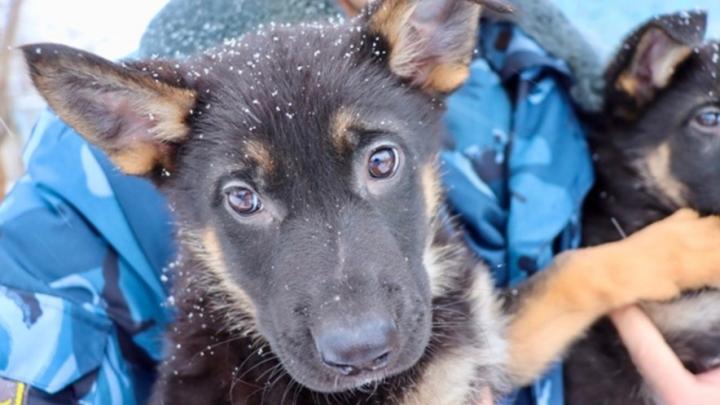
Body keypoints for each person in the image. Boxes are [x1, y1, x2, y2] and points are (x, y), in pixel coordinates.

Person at [0, 1, 715, 404]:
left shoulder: (571, 88)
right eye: (246, 196)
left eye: (380, 162)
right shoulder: (103, 172)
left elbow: (499, 352)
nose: (359, 331)